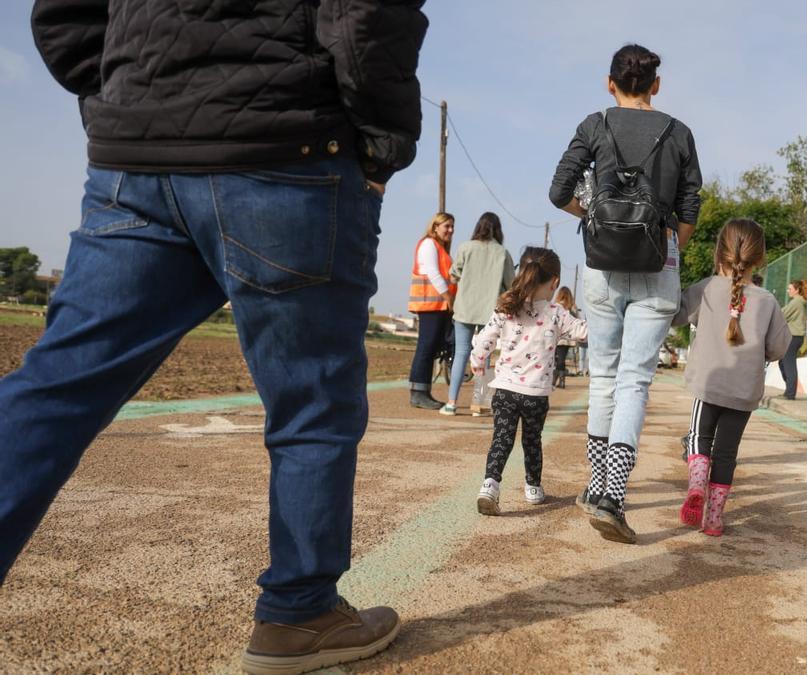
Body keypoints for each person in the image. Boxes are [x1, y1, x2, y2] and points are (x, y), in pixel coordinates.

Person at [3, 2, 427, 673]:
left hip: (136, 153)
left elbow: (62, 12)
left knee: (58, 383)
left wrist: (124, 96)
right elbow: (366, 13)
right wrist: (382, 138)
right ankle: (300, 612)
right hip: (287, 142)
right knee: (310, 402)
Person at [549, 44, 703, 544]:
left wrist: (593, 218)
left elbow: (558, 190)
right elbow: (689, 208)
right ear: (656, 84)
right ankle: (614, 496)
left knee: (604, 379)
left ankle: (596, 488)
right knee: (635, 382)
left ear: (608, 81)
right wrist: (667, 240)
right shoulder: (679, 132)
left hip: (602, 268)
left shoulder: (595, 124)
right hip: (659, 264)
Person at [675, 219, 790, 536]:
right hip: (743, 393)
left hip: (709, 384)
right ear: (760, 258)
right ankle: (713, 520)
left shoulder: (707, 289)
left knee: (699, 438)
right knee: (726, 454)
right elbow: (779, 347)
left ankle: (696, 483)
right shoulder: (768, 301)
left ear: (719, 252)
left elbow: (676, 315)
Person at [472, 249, 587, 515]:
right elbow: (583, 333)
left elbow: (484, 342)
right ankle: (533, 487)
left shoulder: (506, 307)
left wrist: (478, 364)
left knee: (502, 438)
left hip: (504, 390)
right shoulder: (556, 313)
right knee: (532, 440)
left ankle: (490, 485)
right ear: (554, 282)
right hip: (535, 394)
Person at [441, 212, 515, 416]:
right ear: (498, 229)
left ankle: (451, 403)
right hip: (490, 311)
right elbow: (511, 284)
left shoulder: (465, 247)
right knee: (485, 356)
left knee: (461, 354)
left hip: (464, 309)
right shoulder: (503, 253)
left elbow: (453, 276)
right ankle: (478, 404)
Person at [408, 212, 457, 409]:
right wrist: (449, 298)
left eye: (452, 227)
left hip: (438, 306)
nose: (451, 230)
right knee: (426, 347)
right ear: (435, 227)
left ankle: (423, 391)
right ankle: (418, 393)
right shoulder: (429, 245)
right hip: (430, 305)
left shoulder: (440, 248)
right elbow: (433, 274)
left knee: (431, 348)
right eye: (447, 226)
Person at [779, 279, 807, 400]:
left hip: (794, 337)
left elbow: (782, 315)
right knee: (783, 362)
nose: (788, 291)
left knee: (789, 363)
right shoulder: (797, 302)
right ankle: (789, 390)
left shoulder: (796, 302)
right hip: (796, 337)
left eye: (790, 289)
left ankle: (790, 393)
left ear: (797, 290)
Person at [552, 287, 582, 389]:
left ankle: (558, 381)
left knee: (557, 360)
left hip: (559, 338)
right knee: (561, 359)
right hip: (569, 339)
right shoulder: (573, 307)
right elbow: (578, 321)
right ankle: (559, 381)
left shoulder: (556, 306)